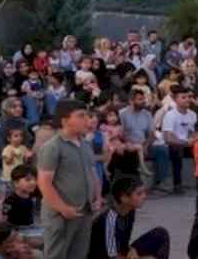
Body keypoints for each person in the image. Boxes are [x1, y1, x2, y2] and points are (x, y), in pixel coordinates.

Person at [36, 99, 101, 259]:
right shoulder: (52, 147)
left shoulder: (85, 144)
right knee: (57, 255)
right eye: (81, 116)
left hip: (84, 211)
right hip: (61, 216)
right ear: (65, 121)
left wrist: (98, 197)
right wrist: (63, 208)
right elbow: (44, 182)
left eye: (87, 115)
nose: (87, 120)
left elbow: (93, 173)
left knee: (79, 254)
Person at [88, 176, 172, 259]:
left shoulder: (130, 210)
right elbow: (112, 256)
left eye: (144, 192)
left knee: (161, 234)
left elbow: (123, 243)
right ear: (124, 198)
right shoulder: (110, 219)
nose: (144, 196)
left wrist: (132, 249)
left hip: (118, 252)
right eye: (139, 194)